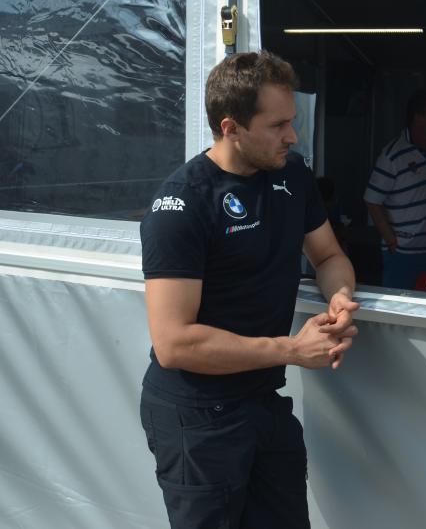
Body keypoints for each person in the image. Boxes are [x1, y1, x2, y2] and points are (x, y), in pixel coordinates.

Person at [138, 50, 359, 529]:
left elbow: (328, 256)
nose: (292, 136)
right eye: (278, 125)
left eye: (292, 121)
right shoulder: (182, 205)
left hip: (263, 401)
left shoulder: (292, 175)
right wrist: (293, 350)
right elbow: (174, 343)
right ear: (231, 127)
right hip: (197, 416)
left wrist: (340, 296)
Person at [364, 89, 426, 289]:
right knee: (396, 305)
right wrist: (390, 239)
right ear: (418, 117)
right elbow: (372, 199)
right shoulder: (392, 155)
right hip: (403, 252)